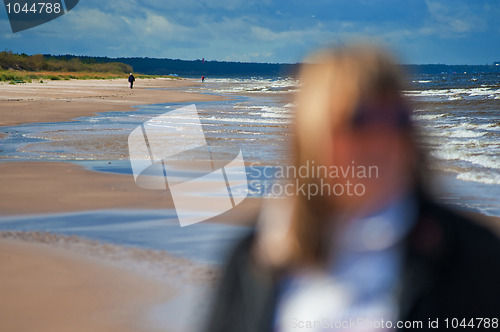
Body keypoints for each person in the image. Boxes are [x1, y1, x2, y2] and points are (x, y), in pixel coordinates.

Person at [205, 45, 500, 331]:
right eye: (360, 118)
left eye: (398, 119)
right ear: (312, 131)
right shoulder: (255, 259)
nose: (383, 137)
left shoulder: (468, 255)